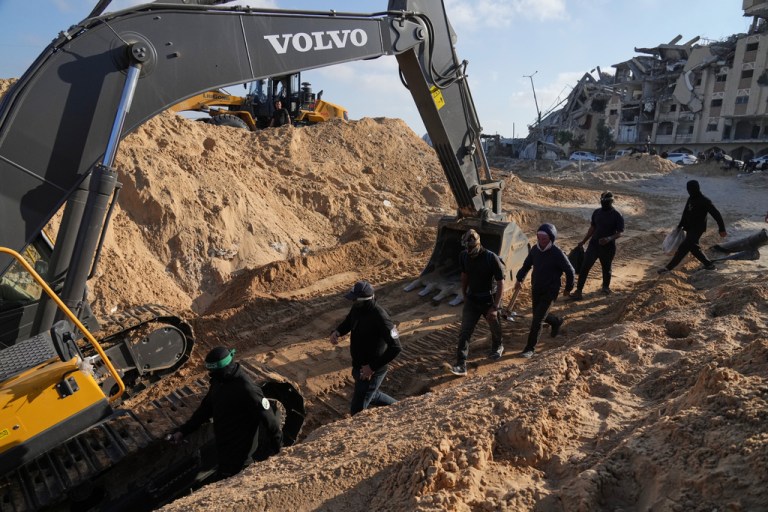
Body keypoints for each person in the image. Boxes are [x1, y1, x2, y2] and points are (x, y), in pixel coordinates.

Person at [169, 346, 282, 484]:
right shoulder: (219, 381)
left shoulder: (247, 389)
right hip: (224, 452)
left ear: (225, 367)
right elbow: (205, 409)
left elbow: (271, 421)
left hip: (240, 460)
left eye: (214, 372)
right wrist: (183, 431)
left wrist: (280, 452)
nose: (211, 375)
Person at [330, 280, 402, 414]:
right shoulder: (357, 308)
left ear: (365, 300)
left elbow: (396, 347)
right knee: (371, 395)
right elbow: (349, 321)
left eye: (355, 301)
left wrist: (371, 368)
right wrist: (338, 332)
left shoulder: (381, 317)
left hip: (371, 371)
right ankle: (402, 407)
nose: (353, 303)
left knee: (357, 410)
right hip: (359, 366)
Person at [450, 229, 506, 376]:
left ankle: (498, 346)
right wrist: (464, 295)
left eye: (470, 247)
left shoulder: (491, 258)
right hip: (472, 299)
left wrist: (495, 307)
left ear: (478, 244)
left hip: (489, 299)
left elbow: (501, 283)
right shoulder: (463, 256)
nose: (468, 250)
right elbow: (464, 275)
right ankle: (461, 364)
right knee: (464, 332)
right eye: (466, 248)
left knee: (495, 327)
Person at [515, 223, 575, 359]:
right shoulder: (535, 250)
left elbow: (570, 270)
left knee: (537, 320)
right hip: (536, 287)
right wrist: (519, 279)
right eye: (539, 237)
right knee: (538, 314)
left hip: (551, 290)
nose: (541, 241)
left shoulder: (557, 253)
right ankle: (556, 322)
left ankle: (529, 349)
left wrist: (568, 288)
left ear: (551, 239)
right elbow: (526, 265)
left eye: (544, 238)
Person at [658, 180, 727, 274]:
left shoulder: (705, 200)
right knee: (693, 248)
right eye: (689, 189)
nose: (690, 191)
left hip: (698, 229)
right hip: (689, 228)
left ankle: (668, 268)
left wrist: (722, 229)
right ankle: (709, 265)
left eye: (692, 189)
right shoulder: (690, 198)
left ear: (697, 188)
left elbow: (716, 214)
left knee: (684, 247)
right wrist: (680, 225)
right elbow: (685, 212)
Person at [571, 191, 625, 299]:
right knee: (585, 267)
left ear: (611, 202)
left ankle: (605, 288)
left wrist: (608, 239)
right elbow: (592, 228)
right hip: (594, 245)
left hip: (608, 247)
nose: (604, 203)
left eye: (606, 201)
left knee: (606, 268)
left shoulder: (617, 215)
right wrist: (584, 241)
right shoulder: (597, 213)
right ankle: (579, 291)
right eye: (602, 201)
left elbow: (619, 233)